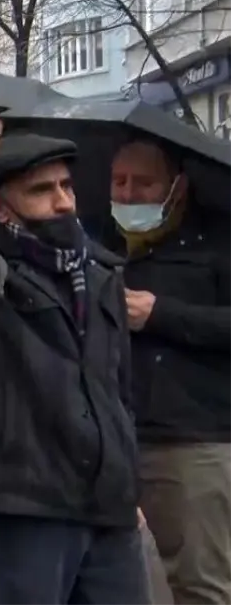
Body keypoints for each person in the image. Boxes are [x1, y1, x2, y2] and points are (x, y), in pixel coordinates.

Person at [0, 117, 146, 605]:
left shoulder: (99, 272)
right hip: (23, 506)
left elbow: (118, 387)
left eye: (66, 186)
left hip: (106, 504)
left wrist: (127, 479)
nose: (62, 201)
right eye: (42, 190)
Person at [109, 140, 231, 605]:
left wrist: (161, 314)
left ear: (177, 186)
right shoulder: (102, 240)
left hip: (193, 440)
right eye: (118, 182)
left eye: (144, 182)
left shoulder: (218, 240)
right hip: (118, 437)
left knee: (200, 586)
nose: (128, 194)